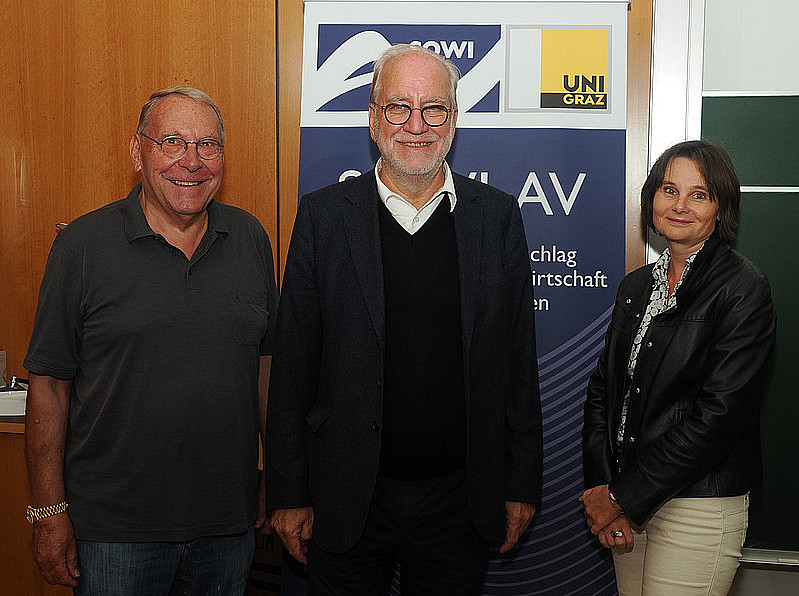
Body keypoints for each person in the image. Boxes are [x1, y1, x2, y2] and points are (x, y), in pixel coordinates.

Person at [266, 44, 543, 595]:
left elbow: (516, 364)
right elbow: (293, 368)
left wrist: (520, 484)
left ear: (454, 120)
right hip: (346, 496)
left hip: (459, 501)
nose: (416, 126)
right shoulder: (323, 217)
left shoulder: (497, 218)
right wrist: (288, 493)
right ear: (373, 119)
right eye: (398, 107)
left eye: (433, 109)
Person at [24, 86, 278, 594]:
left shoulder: (250, 238)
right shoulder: (82, 246)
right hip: (115, 535)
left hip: (228, 527)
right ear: (137, 151)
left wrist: (276, 478)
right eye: (172, 142)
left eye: (208, 145)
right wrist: (48, 514)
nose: (191, 162)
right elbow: (49, 386)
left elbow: (266, 370)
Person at [580, 140, 776, 595]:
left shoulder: (743, 289)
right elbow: (604, 393)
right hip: (630, 500)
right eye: (669, 190)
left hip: (698, 506)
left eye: (699, 194)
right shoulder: (636, 287)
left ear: (720, 208)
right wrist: (606, 488)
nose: (680, 205)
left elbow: (719, 417)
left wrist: (620, 497)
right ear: (651, 200)